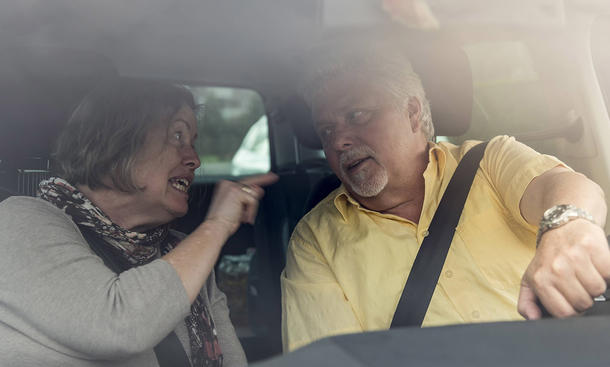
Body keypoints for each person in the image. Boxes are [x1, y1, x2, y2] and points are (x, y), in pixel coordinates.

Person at [281, 37, 610, 352]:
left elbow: (568, 187)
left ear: (412, 112)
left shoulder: (491, 161)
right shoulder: (315, 240)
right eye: (326, 131)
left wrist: (567, 223)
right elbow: (327, 358)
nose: (338, 141)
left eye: (356, 116)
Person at [0, 78, 277, 366]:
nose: (194, 159)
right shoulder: (19, 222)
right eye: (177, 136)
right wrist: (216, 224)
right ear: (115, 142)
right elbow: (118, 326)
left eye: (193, 143)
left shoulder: (182, 252)